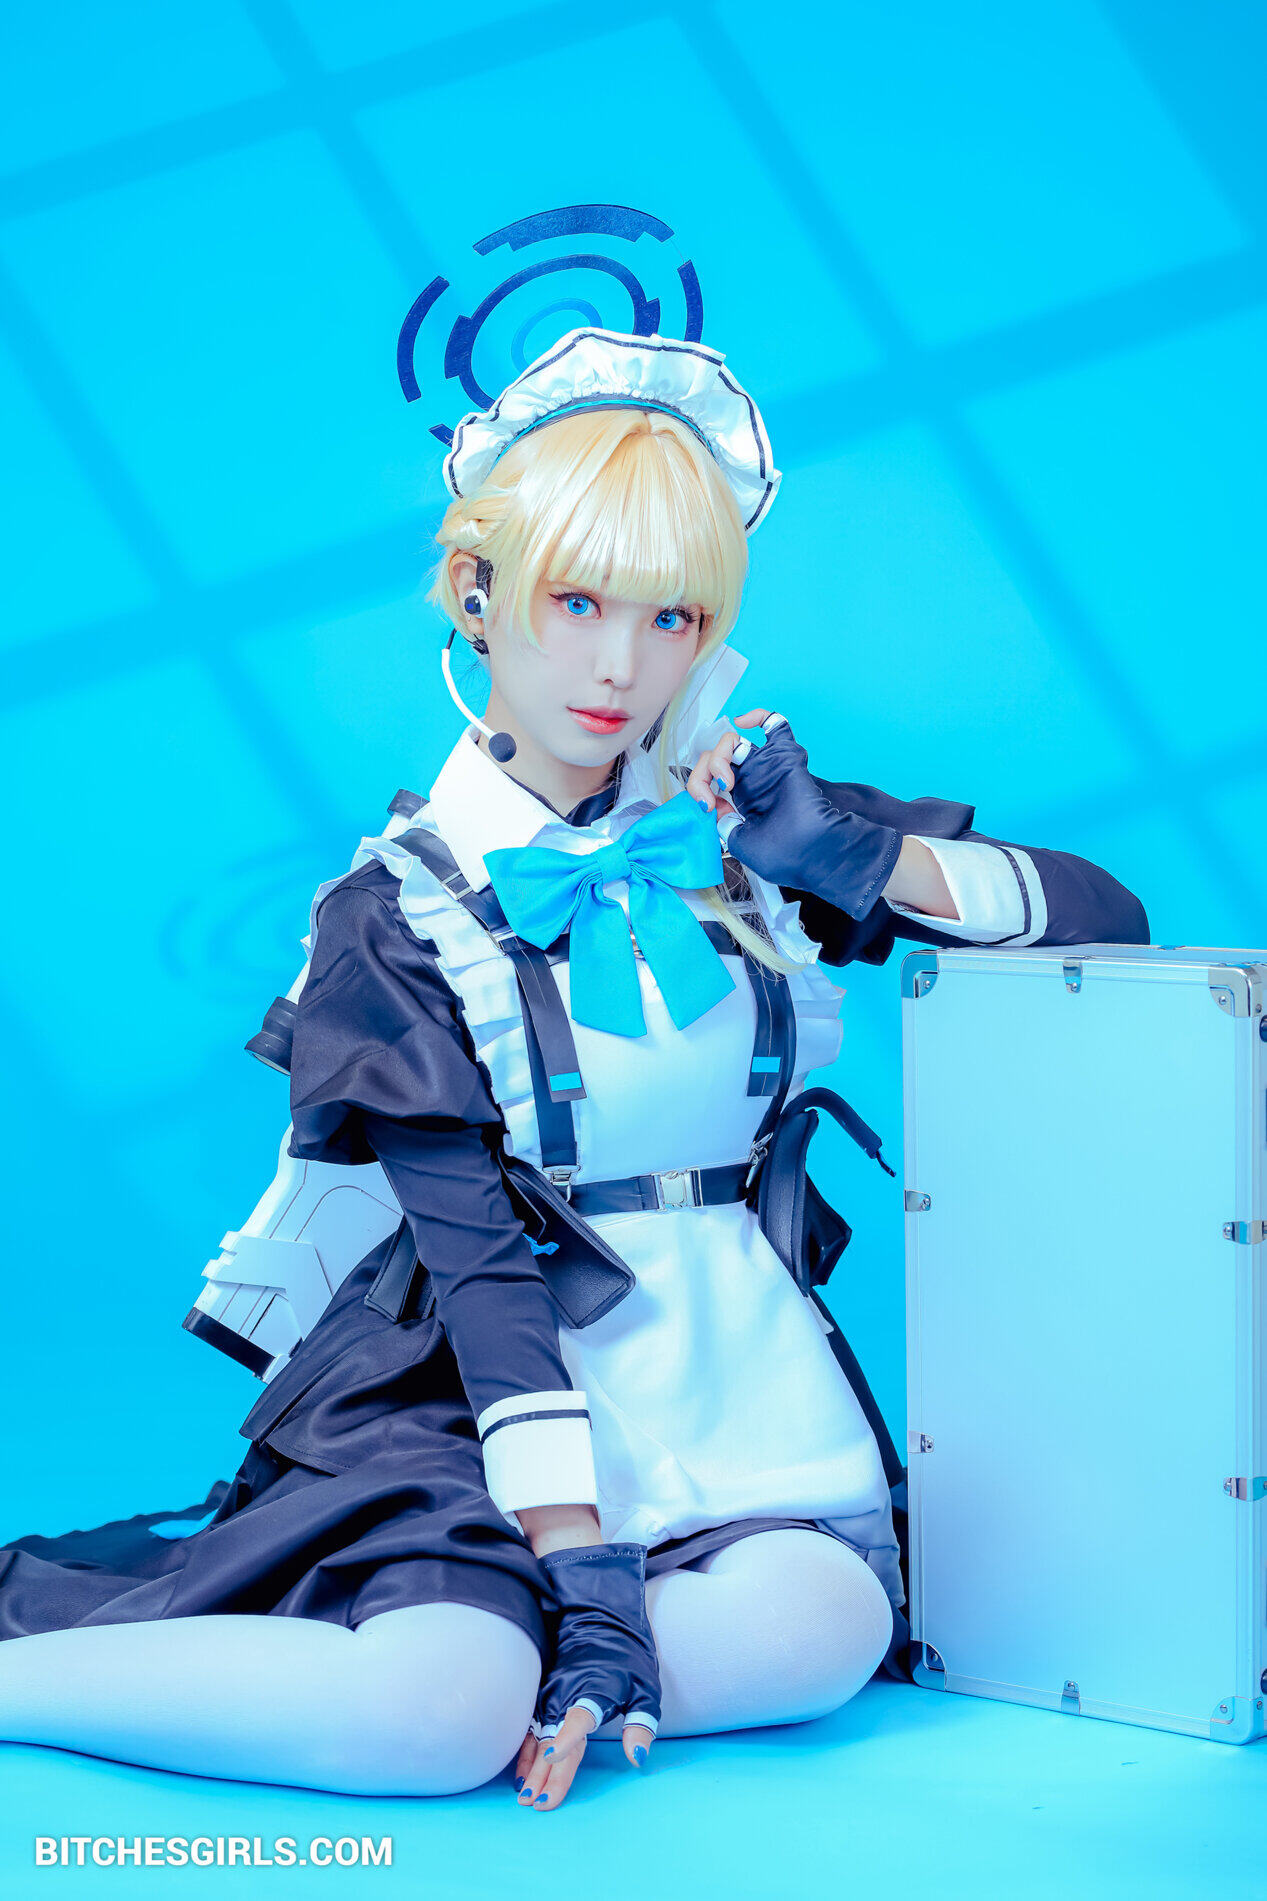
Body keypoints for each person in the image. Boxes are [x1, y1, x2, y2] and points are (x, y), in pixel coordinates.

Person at [0, 329, 1148, 1809]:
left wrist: (847, 856)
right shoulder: (396, 910)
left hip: (723, 1375)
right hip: (466, 1387)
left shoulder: (743, 824)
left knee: (821, 1629)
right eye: (579, 600)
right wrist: (587, 1567)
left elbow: (1103, 918)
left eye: (673, 616)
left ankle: (528, 1679)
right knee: (435, 1719)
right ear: (481, 593)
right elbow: (479, 1263)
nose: (621, 665)